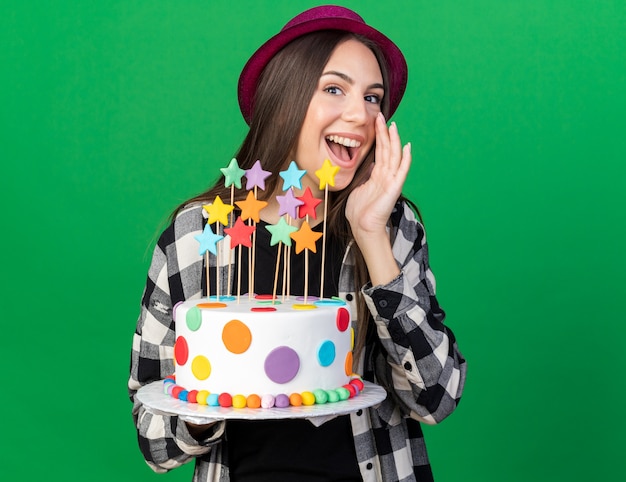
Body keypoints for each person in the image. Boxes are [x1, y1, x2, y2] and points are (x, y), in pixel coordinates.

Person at [128, 5, 466, 481]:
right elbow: (154, 443)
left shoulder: (392, 226)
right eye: (334, 88)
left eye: (374, 98)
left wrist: (371, 236)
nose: (361, 114)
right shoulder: (194, 237)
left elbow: (437, 397)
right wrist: (208, 394)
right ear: (283, 99)